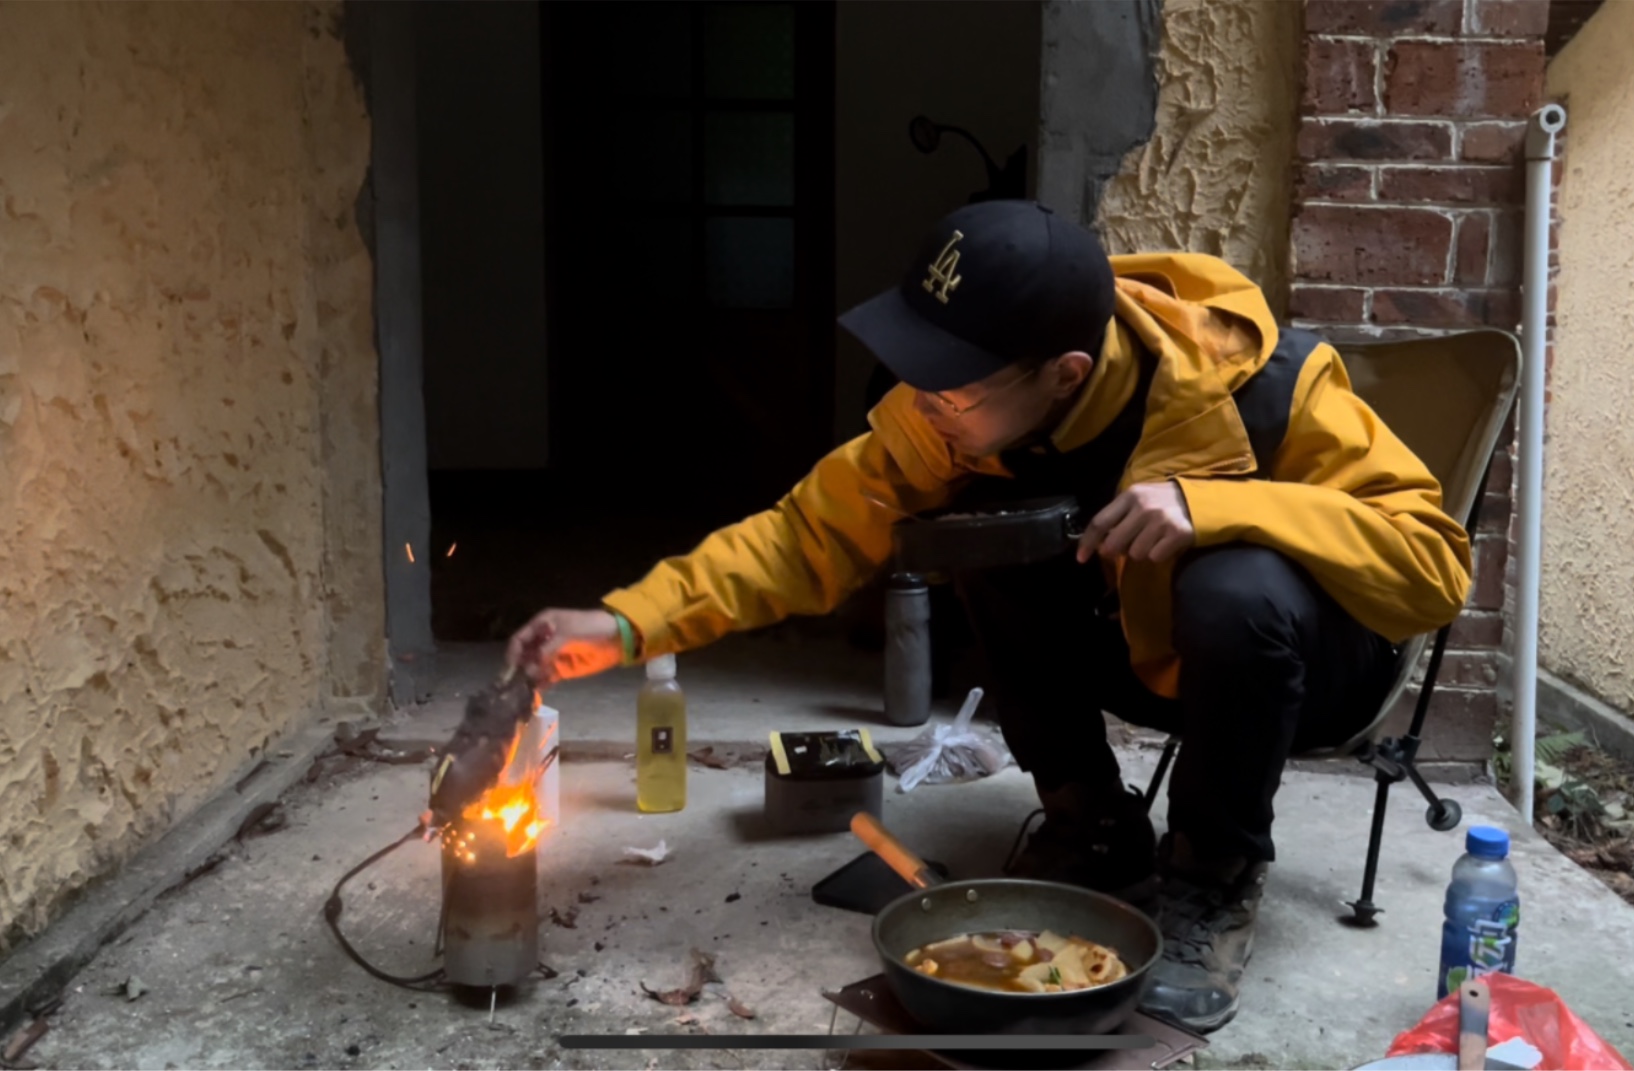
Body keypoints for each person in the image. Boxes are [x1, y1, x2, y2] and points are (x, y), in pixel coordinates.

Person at [507, 200, 1471, 1032]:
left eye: (954, 384)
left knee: (1236, 585)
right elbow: (804, 537)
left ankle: (1211, 878)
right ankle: (1092, 825)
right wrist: (630, 626)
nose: (925, 402)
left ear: (1064, 371)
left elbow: (1435, 571)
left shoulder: (1267, 388)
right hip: (1143, 646)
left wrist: (1216, 506)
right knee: (971, 534)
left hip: (1305, 668)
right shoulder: (949, 425)